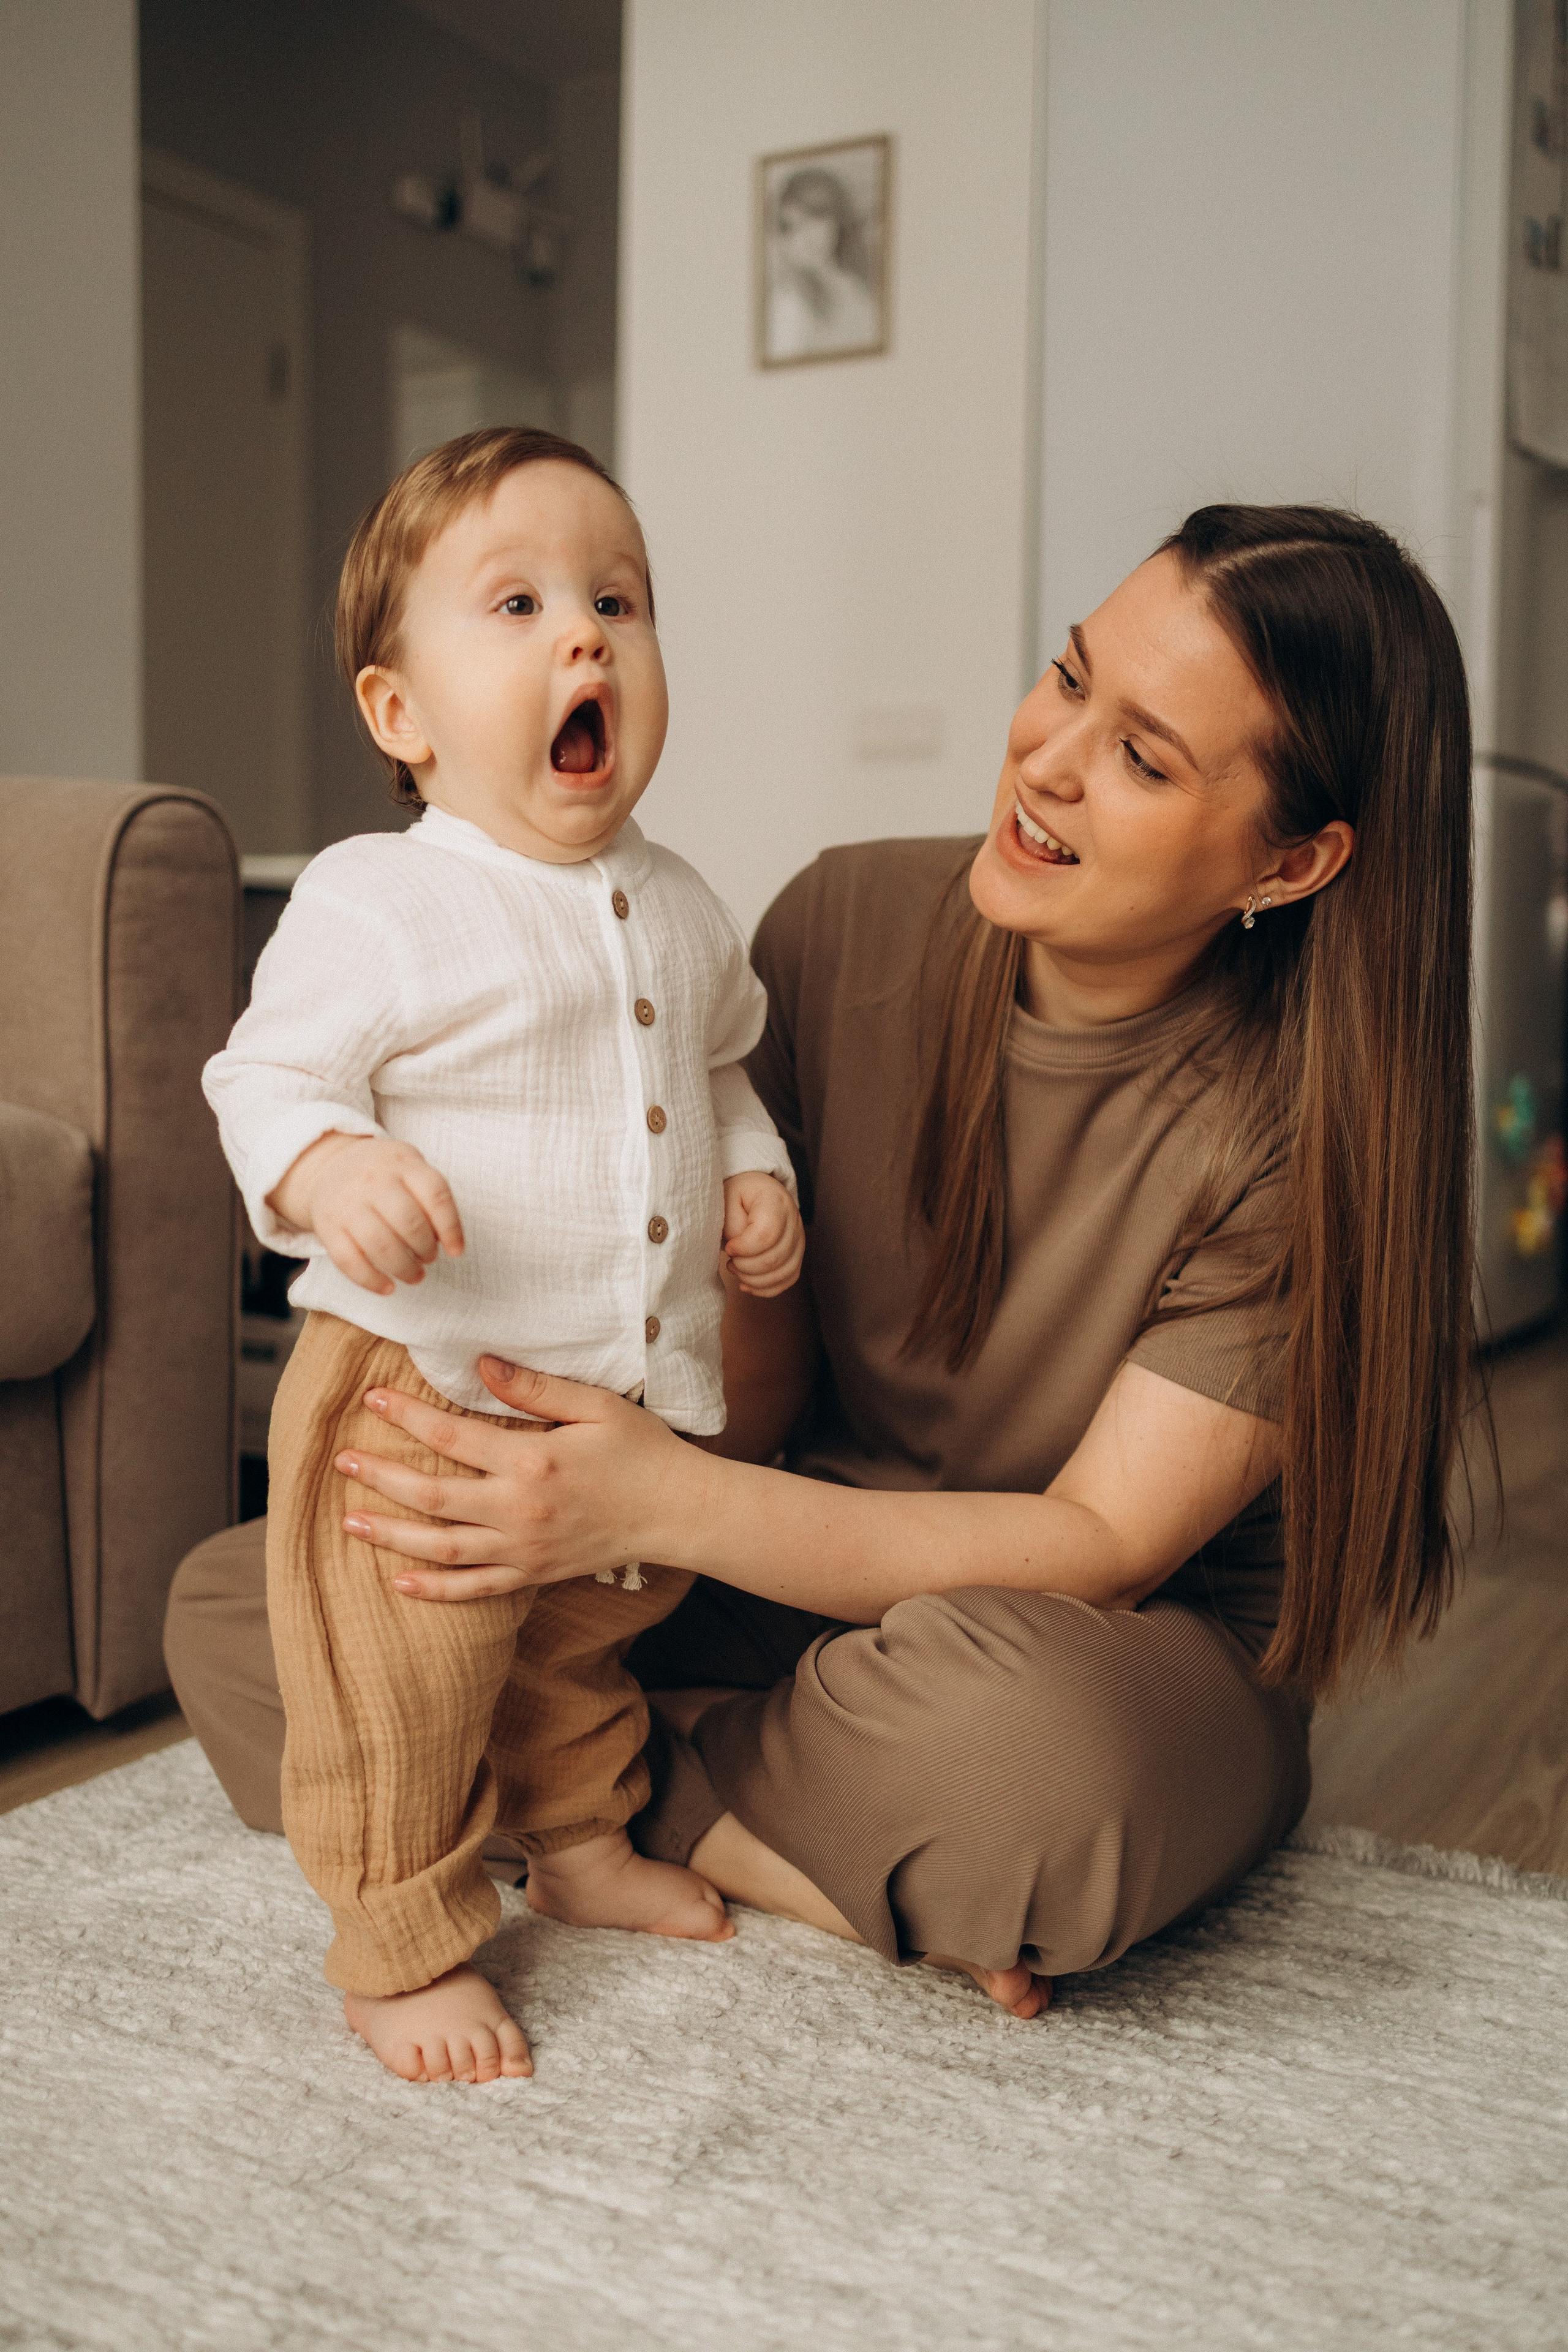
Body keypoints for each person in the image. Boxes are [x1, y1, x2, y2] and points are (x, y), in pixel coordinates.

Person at [168, 503, 1480, 2043]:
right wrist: (552, 1525)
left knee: (1043, 1782)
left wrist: (645, 1504)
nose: (1046, 760)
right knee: (257, 1605)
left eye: (1142, 757)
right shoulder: (839, 916)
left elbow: (1101, 1541)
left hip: (1085, 1637)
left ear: (1292, 856)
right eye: (1065, 678)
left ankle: (611, 1791)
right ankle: (764, 1827)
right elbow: (748, 1395)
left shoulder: (1300, 1135)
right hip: (785, 1547)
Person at [200, 426, 804, 2087]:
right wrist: (329, 1170)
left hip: (613, 1409)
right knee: (406, 1681)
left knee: (573, 1654)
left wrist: (756, 1179)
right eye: (520, 603)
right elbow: (263, 1076)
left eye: (619, 598)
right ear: (402, 715)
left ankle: (580, 1842)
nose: (585, 637)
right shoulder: (384, 899)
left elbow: (720, 1074)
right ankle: (400, 1942)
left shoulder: (683, 905)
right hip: (422, 1395)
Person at [766, 165, 881, 360]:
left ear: (838, 221)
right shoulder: (790, 303)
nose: (806, 236)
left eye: (815, 219)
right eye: (791, 227)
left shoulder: (859, 286)